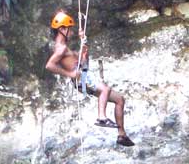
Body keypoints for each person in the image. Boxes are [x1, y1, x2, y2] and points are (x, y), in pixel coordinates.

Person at [45, 10, 135, 147]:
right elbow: (49, 65)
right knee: (105, 89)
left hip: (83, 75)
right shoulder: (61, 48)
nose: (72, 32)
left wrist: (84, 48)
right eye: (70, 29)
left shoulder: (65, 48)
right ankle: (101, 117)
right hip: (81, 78)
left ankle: (121, 135)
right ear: (62, 29)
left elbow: (83, 63)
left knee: (119, 99)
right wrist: (70, 74)